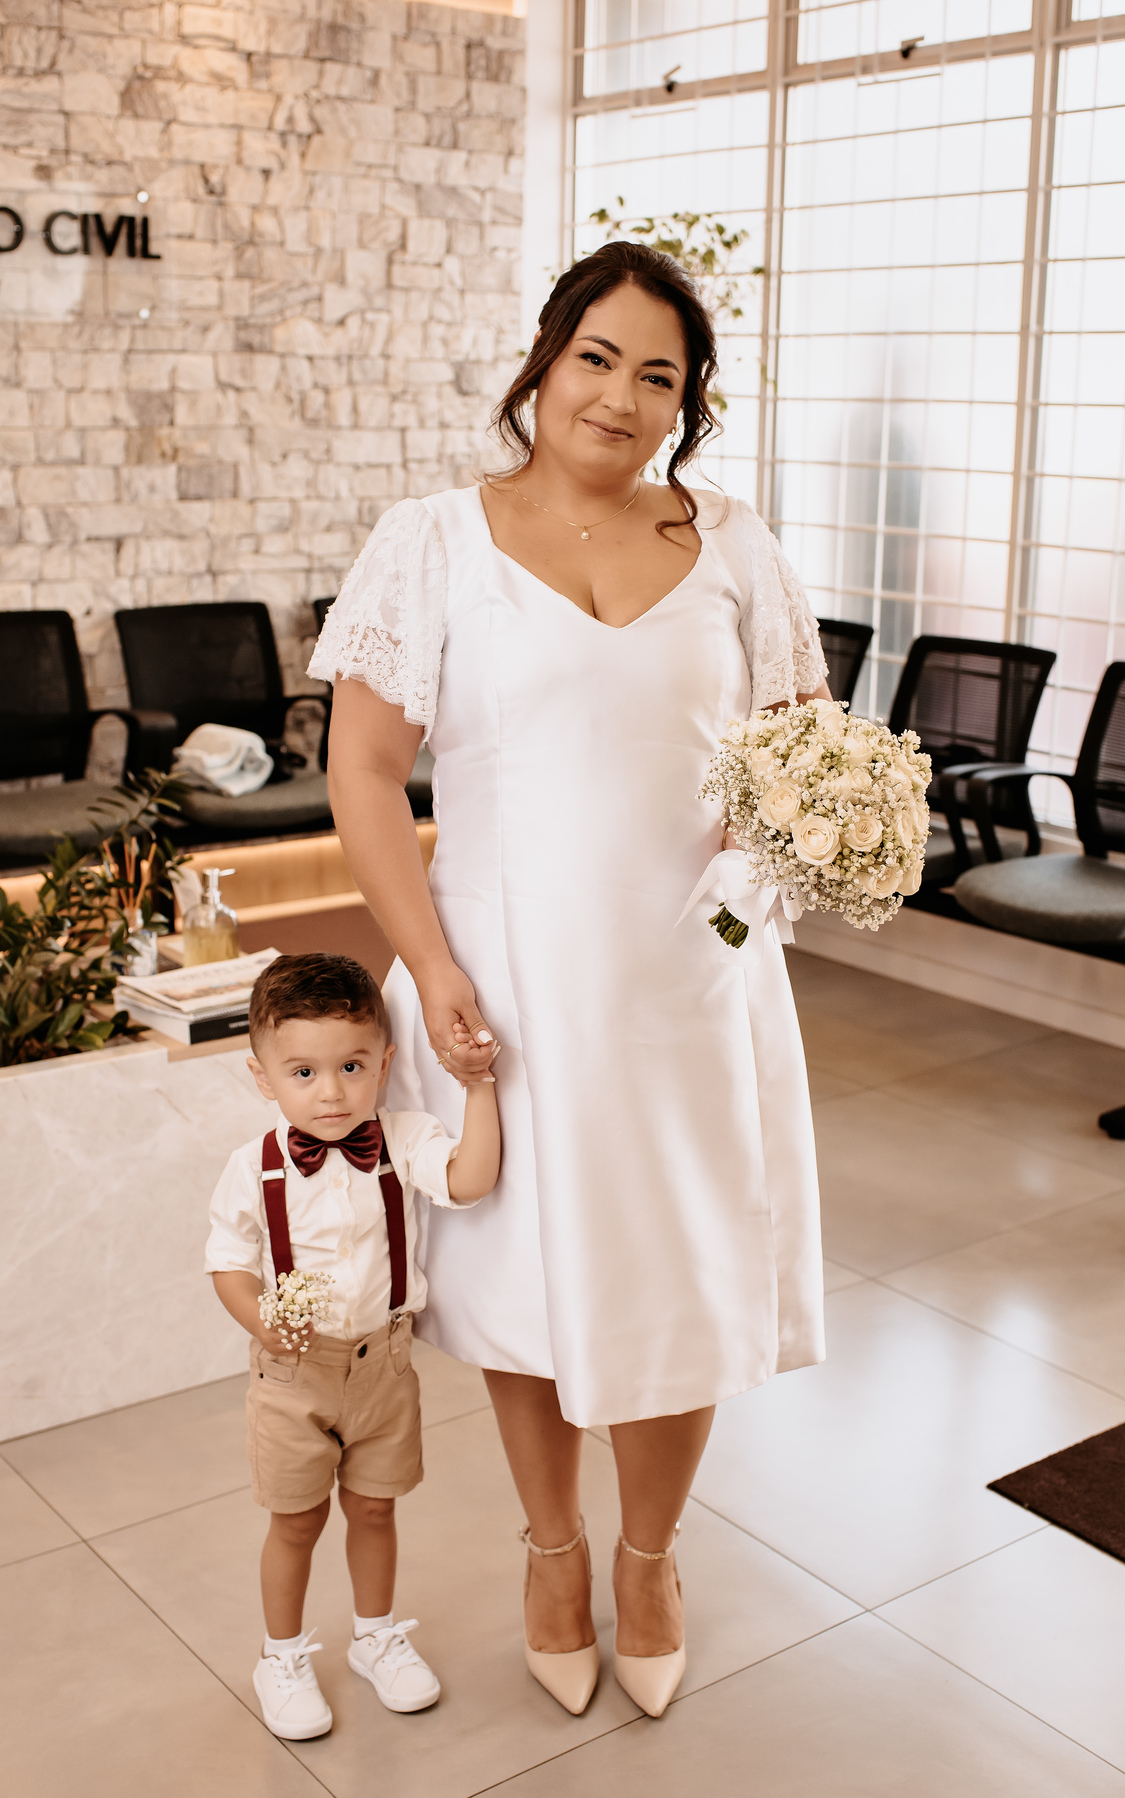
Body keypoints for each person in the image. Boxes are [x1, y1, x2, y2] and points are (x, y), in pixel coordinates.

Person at [310, 240, 830, 1720]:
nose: (620, 395)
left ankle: (651, 1557)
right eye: (596, 357)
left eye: (659, 375)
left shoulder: (735, 545)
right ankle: (554, 1548)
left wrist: (770, 865)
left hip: (691, 986)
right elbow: (364, 768)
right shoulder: (431, 541)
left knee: (681, 1271)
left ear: (687, 402)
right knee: (524, 1279)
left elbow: (805, 753)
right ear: (543, 362)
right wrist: (429, 963)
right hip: (506, 982)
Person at [205, 952, 500, 1740]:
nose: (331, 1092)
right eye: (303, 1072)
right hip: (292, 1375)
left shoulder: (404, 1139)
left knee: (373, 1507)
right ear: (263, 1077)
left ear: (385, 1063)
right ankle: (280, 1656)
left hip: (385, 1366)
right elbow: (228, 1263)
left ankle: (376, 1638)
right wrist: (262, 1320)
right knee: (296, 1519)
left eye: (352, 1067)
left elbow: (470, 1180)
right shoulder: (252, 1168)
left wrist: (479, 1087)